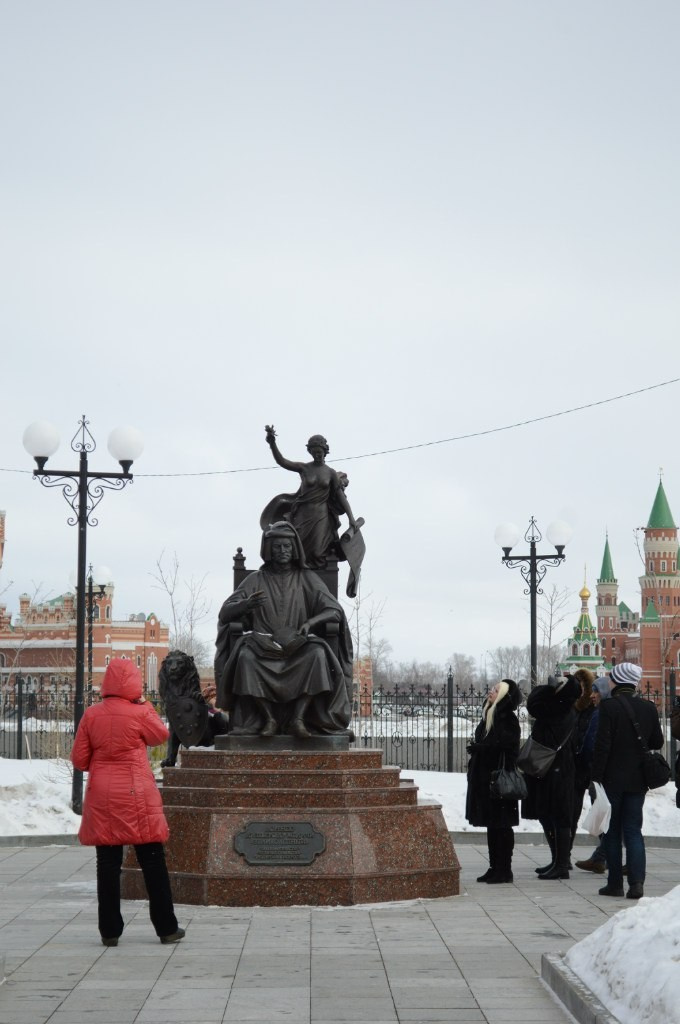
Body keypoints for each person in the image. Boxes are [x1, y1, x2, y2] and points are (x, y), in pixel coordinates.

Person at [70, 658, 184, 947]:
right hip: (138, 797)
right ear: (134, 683)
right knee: (153, 862)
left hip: (103, 798)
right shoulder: (140, 712)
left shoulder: (92, 715)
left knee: (107, 864)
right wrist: (144, 705)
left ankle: (110, 931)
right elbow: (161, 736)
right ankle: (166, 928)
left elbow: (80, 760)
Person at [214, 520, 353, 737]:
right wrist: (245, 605)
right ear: (269, 550)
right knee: (244, 656)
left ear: (294, 549)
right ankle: (267, 718)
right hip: (263, 645)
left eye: (287, 546)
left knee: (317, 653)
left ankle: (299, 718)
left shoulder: (307, 577)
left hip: (298, 645)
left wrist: (309, 623)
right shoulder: (255, 579)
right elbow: (225, 612)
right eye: (277, 546)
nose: (282, 551)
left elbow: (334, 611)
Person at [591, 661, 664, 899]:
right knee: (633, 830)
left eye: (611, 678)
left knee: (612, 832)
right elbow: (657, 743)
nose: (608, 681)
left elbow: (602, 745)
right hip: (638, 779)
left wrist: (596, 777)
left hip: (612, 779)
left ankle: (614, 884)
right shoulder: (649, 708)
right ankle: (636, 884)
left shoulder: (609, 707)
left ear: (618, 681)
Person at [261, 425, 361, 568]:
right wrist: (272, 444)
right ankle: (298, 575)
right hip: (302, 513)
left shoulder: (330, 473)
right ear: (310, 452)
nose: (317, 455)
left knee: (317, 551)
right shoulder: (304, 468)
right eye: (314, 452)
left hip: (321, 516)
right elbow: (282, 461)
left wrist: (351, 519)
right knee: (298, 546)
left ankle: (316, 581)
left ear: (325, 451)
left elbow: (341, 498)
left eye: (320, 452)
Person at [521, 672, 580, 880]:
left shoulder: (558, 708)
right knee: (551, 815)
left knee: (559, 816)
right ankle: (558, 861)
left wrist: (547, 688)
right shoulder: (566, 707)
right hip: (554, 769)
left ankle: (561, 864)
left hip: (555, 769)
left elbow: (533, 703)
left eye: (557, 685)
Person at [465, 679, 522, 884]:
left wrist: (482, 749)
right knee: (492, 824)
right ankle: (494, 867)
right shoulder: (490, 713)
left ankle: (504, 869)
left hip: (500, 781)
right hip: (487, 780)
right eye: (492, 688)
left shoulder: (507, 718)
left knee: (502, 825)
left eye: (496, 690)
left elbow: (507, 746)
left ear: (504, 695)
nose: (491, 691)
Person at [574, 677, 611, 874]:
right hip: (619, 775)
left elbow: (591, 745)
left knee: (608, 817)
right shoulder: (612, 711)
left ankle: (602, 857)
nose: (592, 695)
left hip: (601, 775)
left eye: (596, 691)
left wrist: (584, 761)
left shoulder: (601, 714)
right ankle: (603, 856)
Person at [569, 668, 597, 864]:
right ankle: (565, 853)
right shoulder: (573, 708)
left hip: (592, 766)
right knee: (571, 810)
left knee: (600, 808)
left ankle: (603, 855)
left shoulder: (594, 710)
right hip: (575, 766)